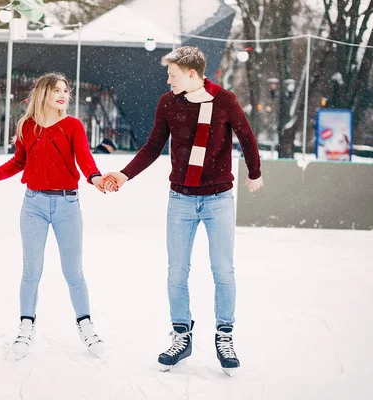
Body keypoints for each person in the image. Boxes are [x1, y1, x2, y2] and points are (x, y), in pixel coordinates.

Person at [103, 46, 264, 375]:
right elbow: (152, 147)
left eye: (172, 74)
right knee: (177, 273)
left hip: (218, 198)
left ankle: (225, 335)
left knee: (223, 270)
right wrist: (124, 174)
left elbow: (247, 137)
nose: (168, 80)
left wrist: (254, 172)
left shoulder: (225, 101)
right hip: (181, 200)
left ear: (192, 74)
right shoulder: (168, 103)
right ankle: (181, 334)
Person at [0, 73, 107, 360]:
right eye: (56, 90)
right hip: (33, 204)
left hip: (67, 205)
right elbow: (18, 161)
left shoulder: (72, 126)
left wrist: (95, 178)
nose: (63, 95)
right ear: (43, 93)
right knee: (31, 270)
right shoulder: (27, 126)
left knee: (73, 272)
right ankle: (25, 327)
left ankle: (86, 326)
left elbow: (85, 159)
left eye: (65, 90)